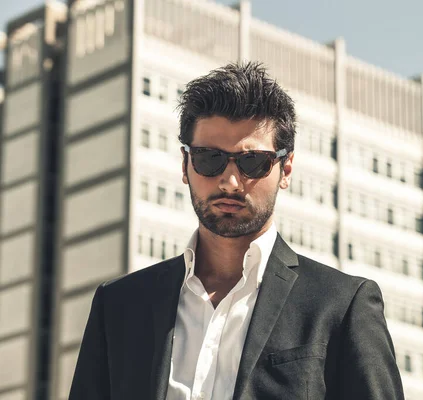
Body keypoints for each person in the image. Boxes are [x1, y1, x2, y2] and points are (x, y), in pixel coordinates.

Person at [69, 62, 404, 400]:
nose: (229, 182)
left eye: (253, 162)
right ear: (185, 165)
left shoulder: (343, 306)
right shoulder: (119, 306)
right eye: (209, 158)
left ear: (285, 169)